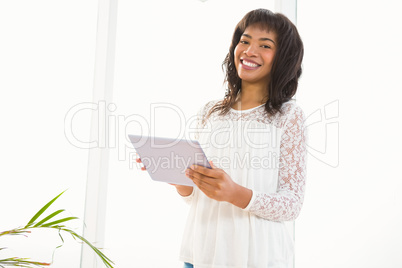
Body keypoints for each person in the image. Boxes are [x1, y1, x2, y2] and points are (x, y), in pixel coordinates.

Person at [138, 8, 307, 268]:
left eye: (265, 45)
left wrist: (235, 193)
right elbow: (194, 197)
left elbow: (291, 204)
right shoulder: (210, 112)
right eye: (245, 41)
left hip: (257, 257)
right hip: (201, 253)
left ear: (283, 57)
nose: (249, 51)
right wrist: (174, 175)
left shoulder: (288, 116)